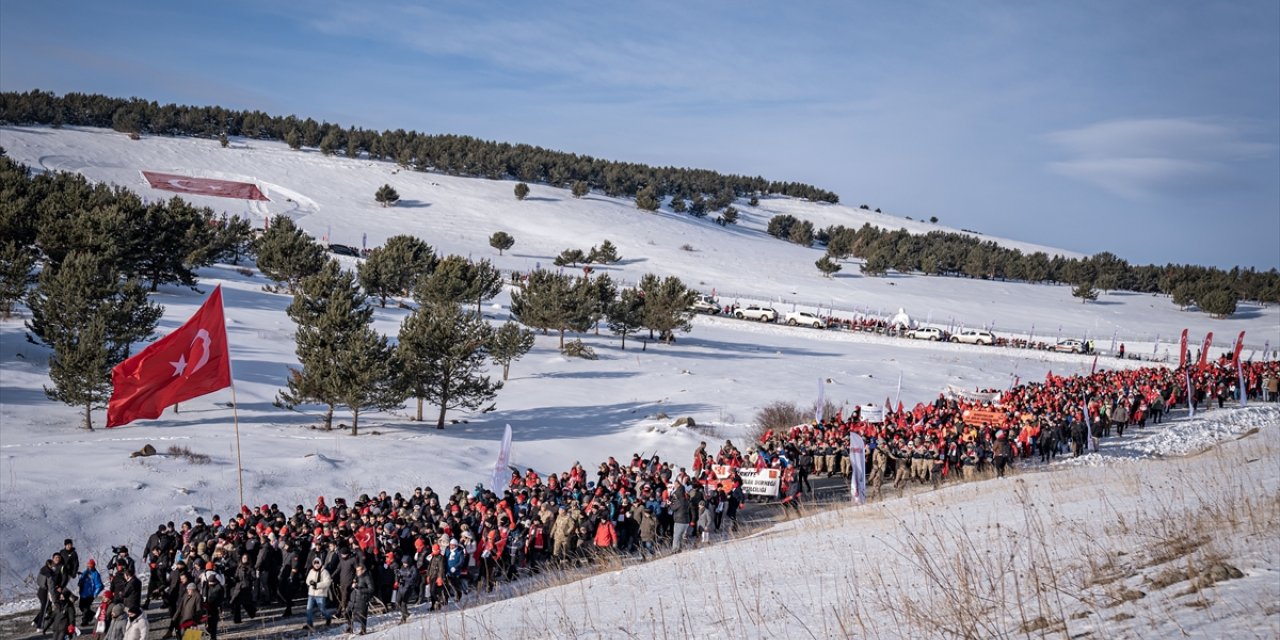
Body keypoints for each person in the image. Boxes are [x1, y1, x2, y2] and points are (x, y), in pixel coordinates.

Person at [304, 557, 333, 630]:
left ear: (320, 563)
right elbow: (307, 580)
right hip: (311, 594)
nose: (316, 565)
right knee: (309, 609)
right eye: (315, 563)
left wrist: (317, 585)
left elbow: (327, 582)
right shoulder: (311, 571)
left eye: (318, 563)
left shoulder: (324, 572)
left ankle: (328, 617)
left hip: (320, 594)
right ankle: (309, 624)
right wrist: (310, 582)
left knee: (322, 609)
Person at [345, 563, 374, 634]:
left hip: (362, 599)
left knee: (362, 615)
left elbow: (371, 589)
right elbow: (353, 586)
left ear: (363, 570)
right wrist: (352, 587)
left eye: (359, 570)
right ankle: (350, 627)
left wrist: (360, 589)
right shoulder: (356, 576)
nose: (357, 572)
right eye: (356, 570)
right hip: (353, 598)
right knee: (347, 612)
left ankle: (363, 630)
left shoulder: (367, 577)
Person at [76, 558, 104, 627]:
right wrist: (80, 583)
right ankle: (91, 614)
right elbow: (82, 579)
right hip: (83, 593)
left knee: (85, 608)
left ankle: (84, 621)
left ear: (93, 566)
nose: (89, 568)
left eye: (90, 566)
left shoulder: (96, 574)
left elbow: (99, 585)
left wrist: (95, 594)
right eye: (88, 566)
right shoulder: (86, 572)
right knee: (81, 606)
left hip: (90, 594)